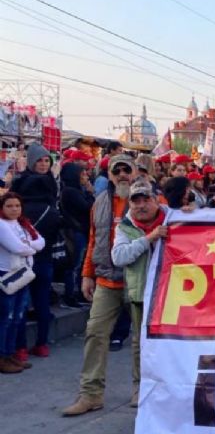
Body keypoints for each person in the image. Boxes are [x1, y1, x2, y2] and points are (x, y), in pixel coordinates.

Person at [62, 153, 137, 416]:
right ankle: (91, 394)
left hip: (138, 280)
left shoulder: (150, 201)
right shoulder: (99, 203)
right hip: (106, 278)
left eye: (127, 170)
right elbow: (94, 239)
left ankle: (141, 391)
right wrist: (86, 274)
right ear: (110, 175)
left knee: (140, 340)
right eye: (117, 171)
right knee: (95, 333)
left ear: (135, 173)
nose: (123, 175)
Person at [110, 179, 169, 408]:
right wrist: (149, 239)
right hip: (142, 294)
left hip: (174, 294)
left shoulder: (174, 218)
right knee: (140, 344)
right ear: (130, 204)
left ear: (156, 200)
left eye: (146, 199)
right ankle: (140, 387)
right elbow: (119, 257)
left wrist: (191, 212)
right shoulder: (124, 227)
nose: (142, 205)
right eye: (136, 201)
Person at [11, 144, 61, 361]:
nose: (43, 164)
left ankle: (21, 348)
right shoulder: (51, 204)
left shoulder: (17, 207)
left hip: (22, 260)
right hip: (44, 259)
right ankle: (41, 345)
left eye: (46, 160)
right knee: (41, 303)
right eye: (39, 160)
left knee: (21, 305)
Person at [0, 193, 44, 374]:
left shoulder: (23, 223)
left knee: (17, 317)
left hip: (24, 275)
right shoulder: (1, 225)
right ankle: (1, 356)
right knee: (5, 318)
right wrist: (30, 247)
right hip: (7, 275)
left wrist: (29, 246)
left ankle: (10, 353)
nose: (14, 209)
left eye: (17, 205)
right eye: (9, 206)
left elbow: (41, 242)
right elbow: (17, 247)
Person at [59, 162, 95, 309]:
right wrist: (90, 193)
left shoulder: (74, 190)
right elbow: (87, 207)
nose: (86, 176)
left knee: (78, 264)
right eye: (82, 174)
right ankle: (70, 295)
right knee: (74, 264)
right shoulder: (70, 191)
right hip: (75, 231)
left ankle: (78, 293)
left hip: (79, 230)